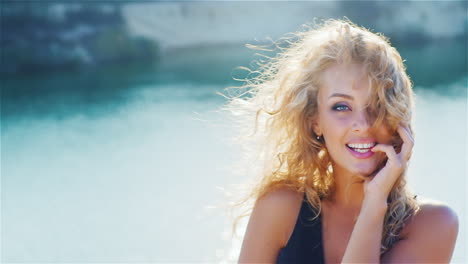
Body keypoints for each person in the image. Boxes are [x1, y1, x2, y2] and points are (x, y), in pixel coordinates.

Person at [220, 18, 459, 263]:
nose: (363, 124)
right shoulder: (280, 208)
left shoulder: (433, 224)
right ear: (315, 121)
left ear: (397, 116)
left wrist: (374, 202)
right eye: (341, 106)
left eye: (377, 105)